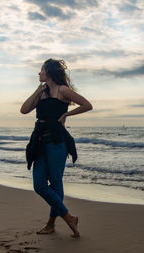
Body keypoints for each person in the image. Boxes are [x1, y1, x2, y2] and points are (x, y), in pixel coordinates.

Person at [20, 59, 92, 238]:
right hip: (40, 140)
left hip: (57, 141)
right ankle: (68, 216)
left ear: (49, 72)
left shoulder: (63, 90)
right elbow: (24, 110)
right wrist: (38, 90)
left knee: (56, 183)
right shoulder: (42, 92)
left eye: (41, 70)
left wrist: (67, 113)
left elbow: (87, 105)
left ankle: (51, 223)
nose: (39, 73)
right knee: (39, 185)